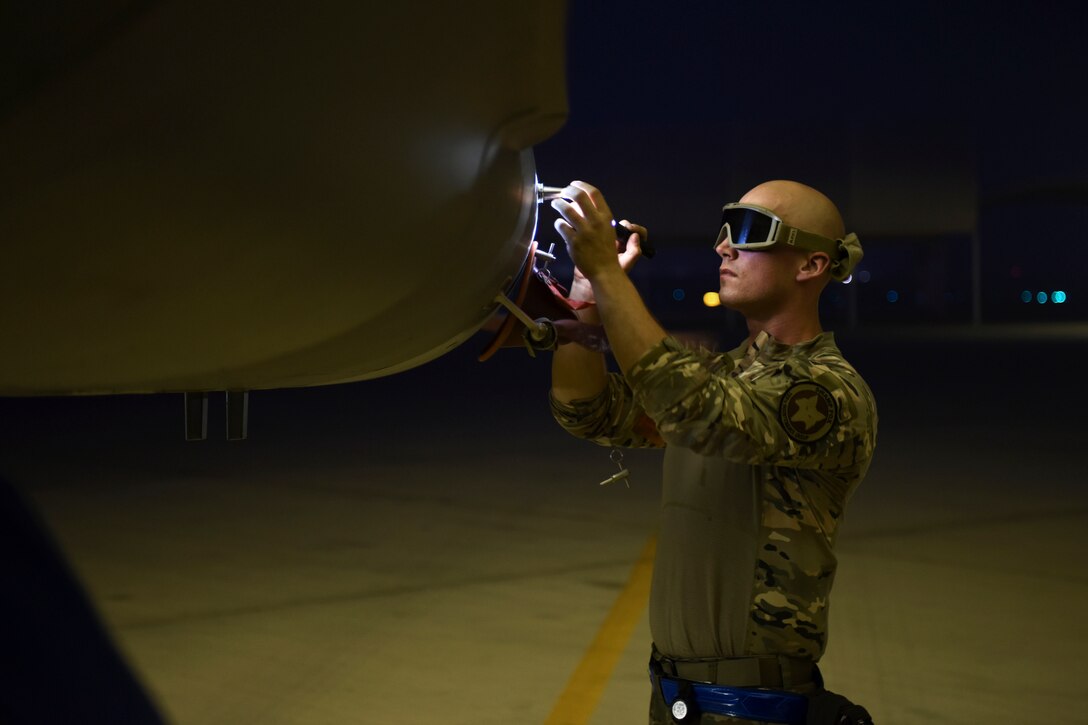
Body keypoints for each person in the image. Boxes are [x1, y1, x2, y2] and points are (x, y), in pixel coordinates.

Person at [547, 179, 877, 724]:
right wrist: (584, 294)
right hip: (681, 699)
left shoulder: (825, 390)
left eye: (749, 231)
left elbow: (693, 407)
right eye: (724, 230)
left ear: (811, 265)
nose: (724, 246)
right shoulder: (729, 375)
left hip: (754, 710)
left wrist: (608, 273)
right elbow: (587, 409)